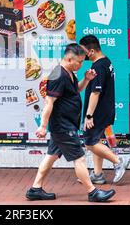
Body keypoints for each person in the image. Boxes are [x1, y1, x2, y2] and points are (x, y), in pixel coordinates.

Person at [26, 44, 116, 202]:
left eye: (83, 62)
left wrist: (86, 80)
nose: (81, 65)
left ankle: (35, 189)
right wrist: (42, 126)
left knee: (51, 156)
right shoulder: (57, 75)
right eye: (79, 62)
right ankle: (92, 192)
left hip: (65, 125)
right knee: (79, 158)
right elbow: (49, 102)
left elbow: (76, 90)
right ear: (69, 59)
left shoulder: (69, 73)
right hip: (63, 126)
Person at [78, 35, 130, 185]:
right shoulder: (106, 62)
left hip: (98, 113)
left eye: (83, 52)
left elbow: (96, 92)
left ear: (92, 51)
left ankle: (118, 161)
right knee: (96, 141)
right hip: (106, 110)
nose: (82, 55)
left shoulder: (98, 67)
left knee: (89, 142)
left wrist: (89, 115)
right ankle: (98, 174)